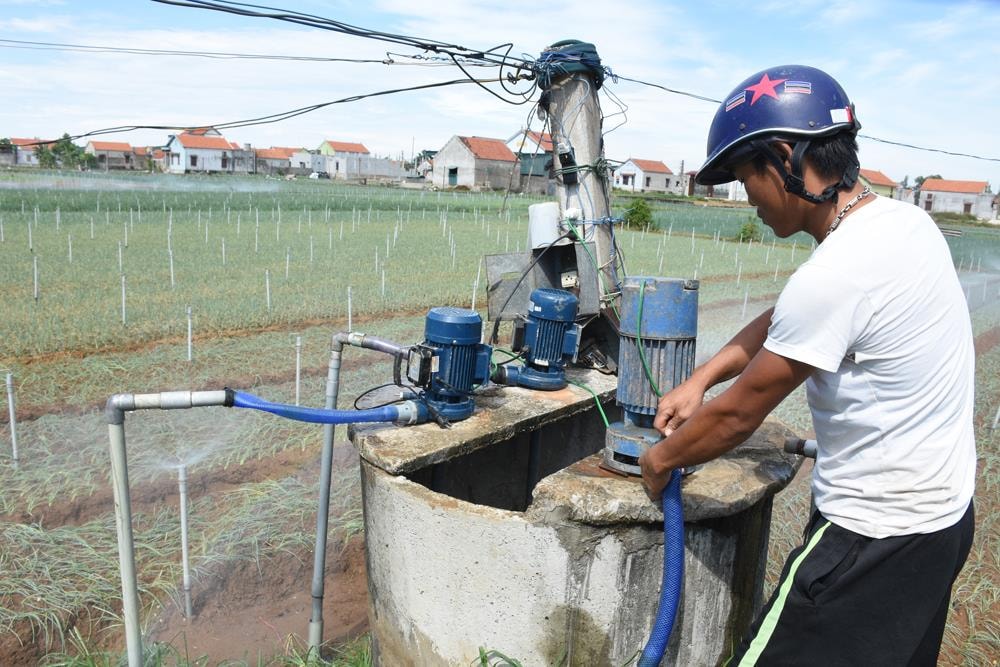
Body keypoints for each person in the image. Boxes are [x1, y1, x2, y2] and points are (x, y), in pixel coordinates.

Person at [638, 65, 976, 666]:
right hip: (943, 521)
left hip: (870, 539)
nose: (749, 201)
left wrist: (661, 459)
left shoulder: (835, 274)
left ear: (784, 158)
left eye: (747, 179)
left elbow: (740, 417)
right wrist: (699, 379)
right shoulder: (902, 223)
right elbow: (784, 319)